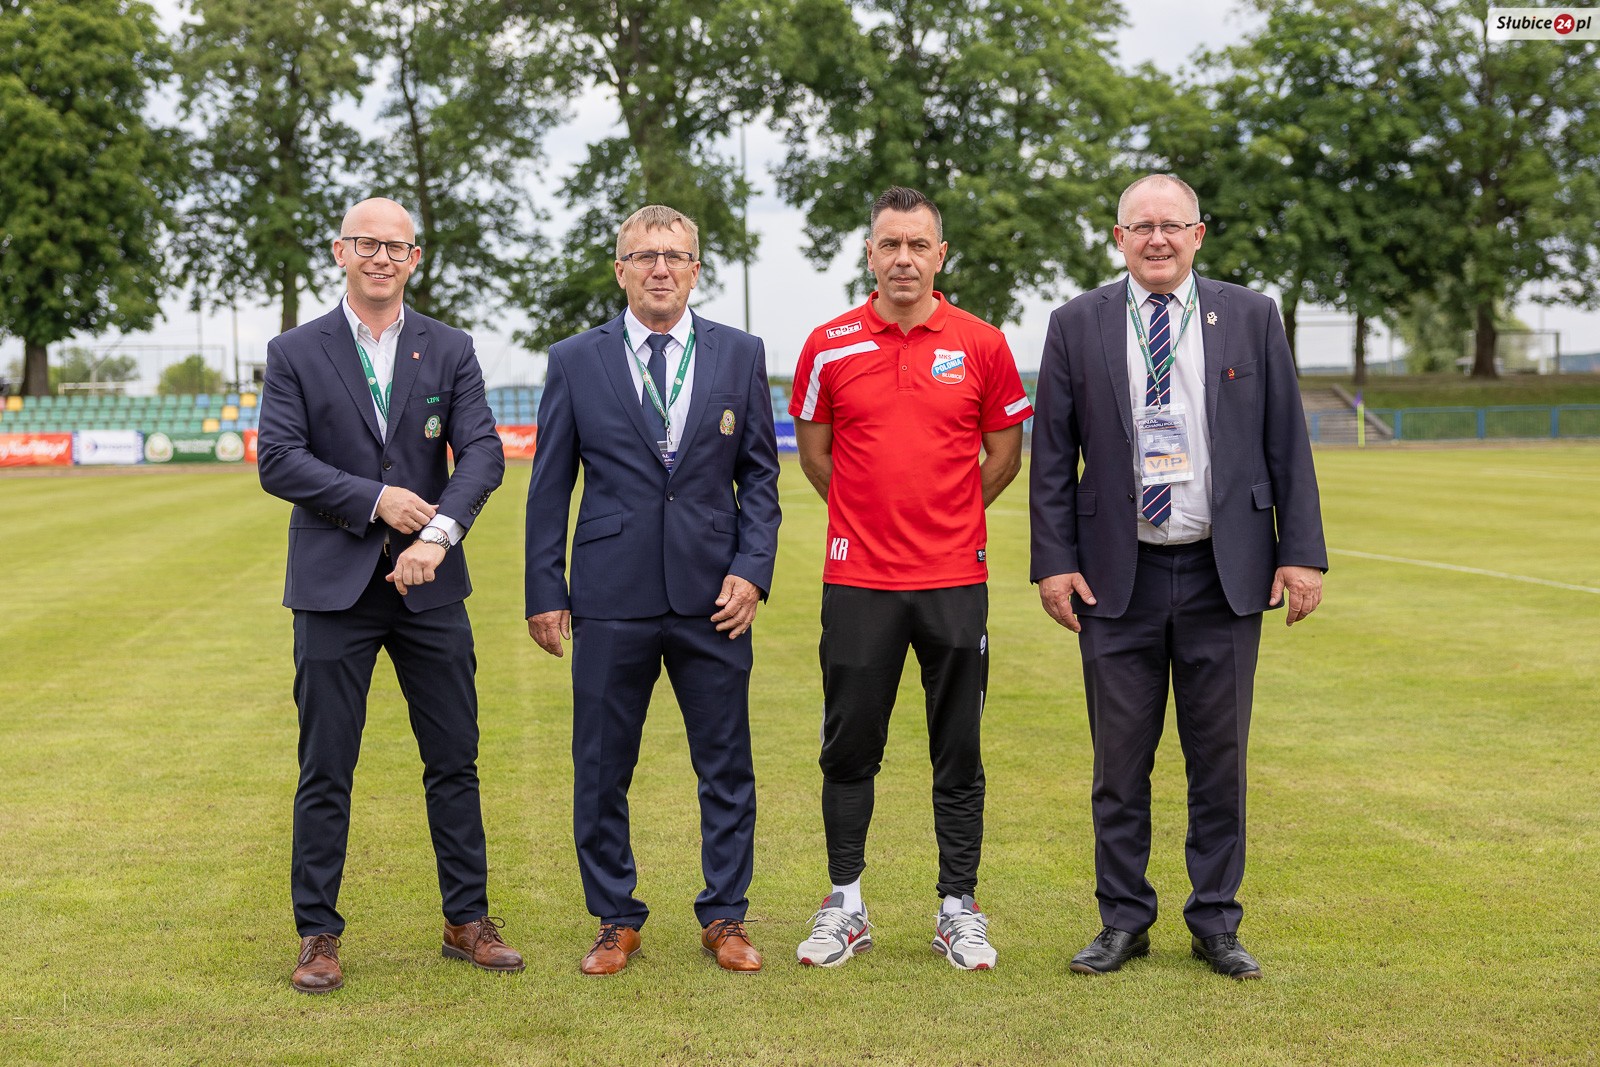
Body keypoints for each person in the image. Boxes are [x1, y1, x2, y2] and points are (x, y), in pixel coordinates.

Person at [1029, 174, 1327, 981]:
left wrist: (1300, 551)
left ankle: (1216, 921)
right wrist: (1054, 563)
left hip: (1221, 573)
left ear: (1199, 233)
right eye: (1141, 226)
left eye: (1172, 225)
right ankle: (1123, 919)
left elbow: (1286, 440)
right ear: (1118, 238)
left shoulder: (1252, 316)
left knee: (1219, 761)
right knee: (1119, 765)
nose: (1156, 238)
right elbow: (1052, 455)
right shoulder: (1076, 323)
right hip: (1114, 577)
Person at [258, 197, 521, 994]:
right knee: (326, 765)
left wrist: (435, 534)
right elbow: (279, 459)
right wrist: (378, 500)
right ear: (340, 252)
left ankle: (466, 919)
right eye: (365, 243)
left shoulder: (451, 347)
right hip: (332, 590)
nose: (380, 257)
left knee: (454, 759)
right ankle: (318, 934)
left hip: (430, 588)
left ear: (416, 259)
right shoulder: (295, 350)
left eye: (395, 246)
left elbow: (483, 453)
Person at [524, 205, 781, 975]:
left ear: (696, 269)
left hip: (715, 594)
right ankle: (615, 918)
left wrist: (752, 569)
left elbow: (760, 478)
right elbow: (549, 486)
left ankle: (725, 915)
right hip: (610, 592)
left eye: (674, 255)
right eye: (644, 255)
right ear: (621, 270)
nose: (660, 268)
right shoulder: (575, 359)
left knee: (726, 765)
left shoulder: (740, 353)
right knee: (602, 765)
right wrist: (545, 586)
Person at [789, 186, 1033, 971]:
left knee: (957, 747)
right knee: (849, 745)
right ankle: (845, 904)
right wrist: (868, 520)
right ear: (869, 254)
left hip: (954, 579)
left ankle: (958, 907)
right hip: (858, 579)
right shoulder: (827, 344)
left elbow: (1005, 454)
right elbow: (816, 453)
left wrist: (947, 515)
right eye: (889, 244)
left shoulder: (982, 343)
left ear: (940, 255)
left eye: (918, 244)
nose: (903, 258)